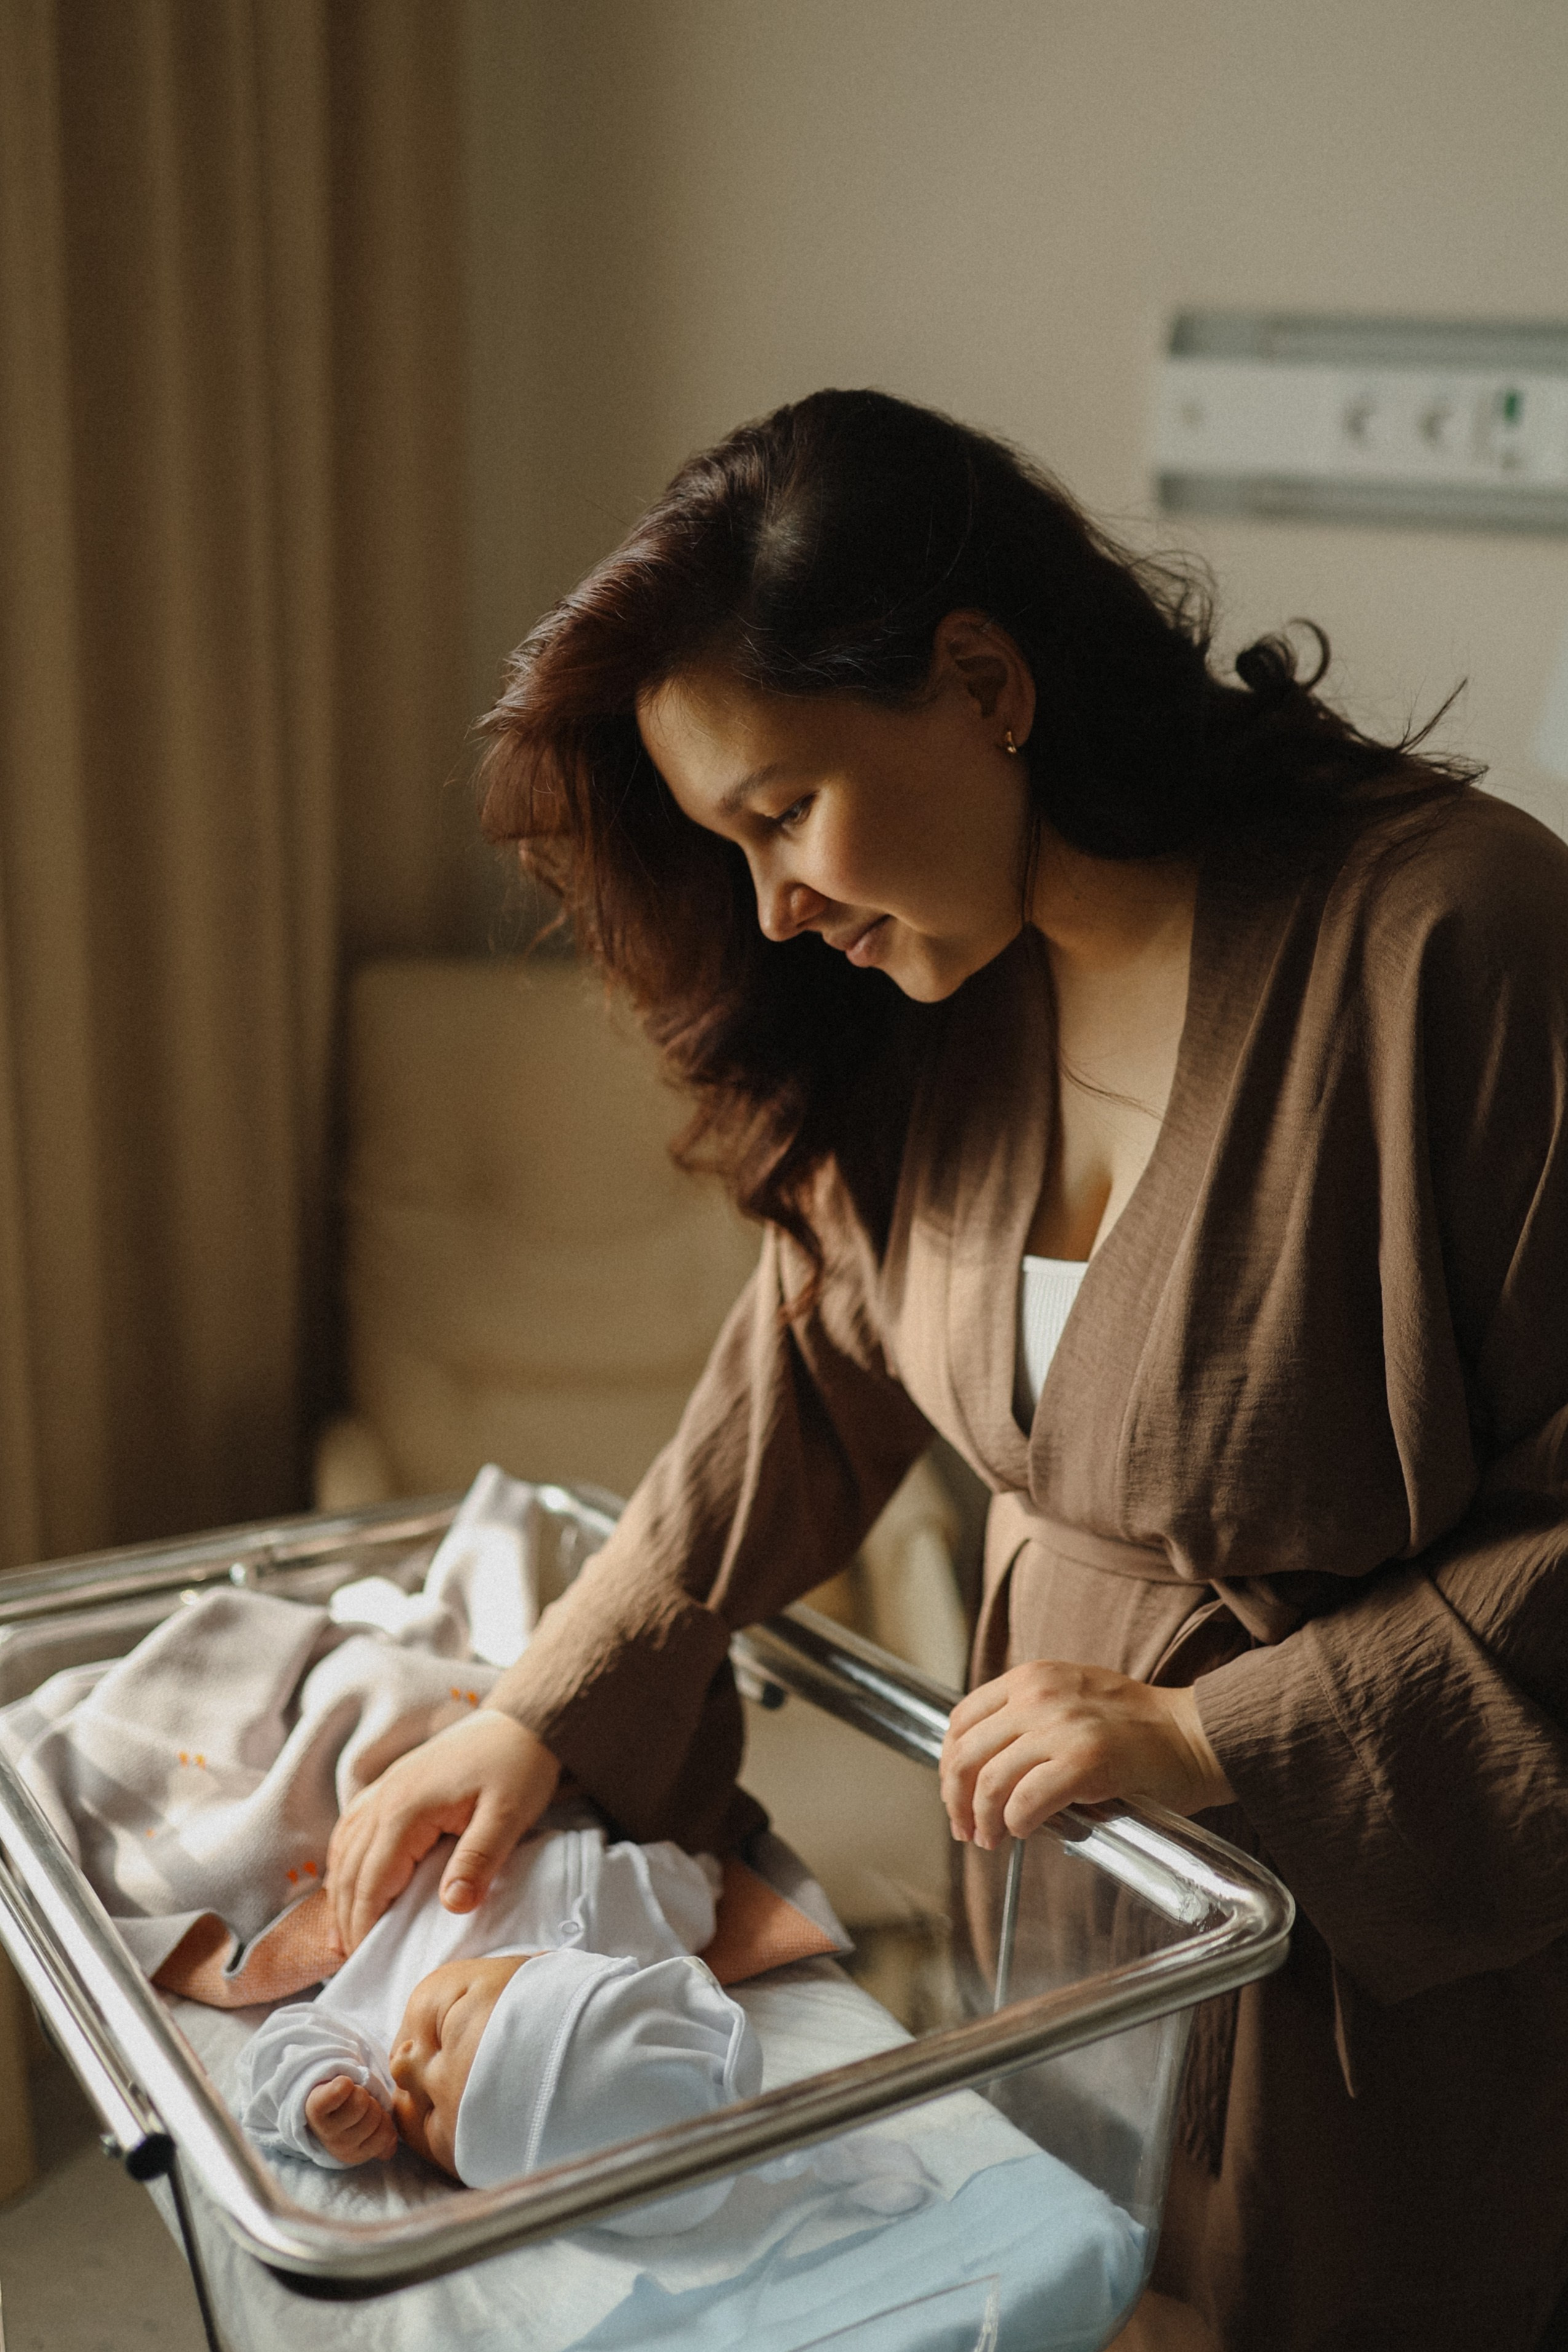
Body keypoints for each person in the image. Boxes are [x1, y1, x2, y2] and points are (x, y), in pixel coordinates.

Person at [325, 389, 1568, 2350]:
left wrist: (1232, 1738)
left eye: (782, 813)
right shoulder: (935, 1003)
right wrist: (547, 1706)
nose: (773, 907)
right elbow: (795, 1383)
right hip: (1069, 1889)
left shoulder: (1449, 945)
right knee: (1074, 2288)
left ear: (984, 685)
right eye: (729, 845)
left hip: (1380, 1932)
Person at [242, 1816, 755, 2231]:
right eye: (443, 2027)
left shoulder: (380, 2050)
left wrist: (316, 2100)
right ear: (546, 1963)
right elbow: (695, 1881)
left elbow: (276, 2052)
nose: (402, 2066)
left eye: (429, 2118)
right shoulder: (620, 1914)